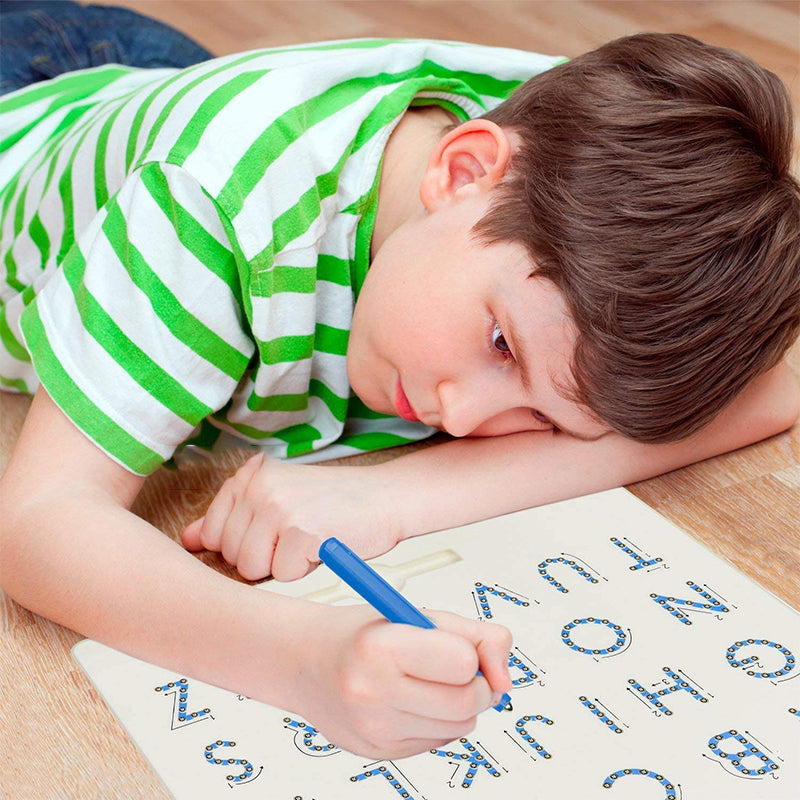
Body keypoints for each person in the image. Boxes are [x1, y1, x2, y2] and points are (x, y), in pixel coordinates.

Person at [1, 2, 798, 760]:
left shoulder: (605, 190)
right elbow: (38, 523)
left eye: (547, 421)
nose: (463, 418)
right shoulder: (207, 203)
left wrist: (392, 497)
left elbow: (776, 389)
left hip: (151, 92)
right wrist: (299, 660)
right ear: (462, 171)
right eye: (500, 345)